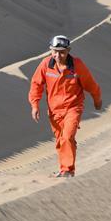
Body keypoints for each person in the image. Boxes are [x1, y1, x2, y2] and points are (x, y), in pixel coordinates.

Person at [28, 35, 102, 178]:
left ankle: (68, 170)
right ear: (50, 50)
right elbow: (36, 84)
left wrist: (97, 100)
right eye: (54, 51)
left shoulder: (77, 65)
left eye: (62, 52)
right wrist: (34, 105)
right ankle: (64, 169)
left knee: (67, 137)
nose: (57, 55)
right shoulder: (45, 64)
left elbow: (91, 84)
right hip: (54, 110)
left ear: (68, 50)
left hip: (73, 107)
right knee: (61, 140)